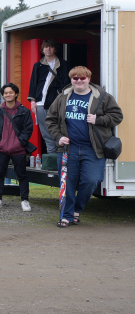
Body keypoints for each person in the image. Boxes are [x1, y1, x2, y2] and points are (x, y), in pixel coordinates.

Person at [46, 66, 123, 228]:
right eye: (75, 78)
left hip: (93, 149)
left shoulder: (102, 97)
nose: (79, 81)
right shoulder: (62, 97)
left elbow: (117, 116)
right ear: (71, 80)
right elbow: (50, 120)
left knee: (91, 181)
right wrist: (58, 137)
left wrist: (98, 120)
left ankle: (77, 209)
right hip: (68, 149)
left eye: (82, 78)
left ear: (88, 79)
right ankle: (66, 215)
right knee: (68, 183)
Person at [0, 83, 33, 211]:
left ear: (16, 94)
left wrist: (20, 142)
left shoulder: (24, 111)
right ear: (3, 95)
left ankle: (25, 200)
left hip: (18, 149)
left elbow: (28, 129)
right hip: (1, 149)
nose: (8, 94)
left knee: (22, 175)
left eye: (10, 92)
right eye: (5, 93)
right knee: (0, 174)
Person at [27, 39, 70, 154]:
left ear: (55, 49)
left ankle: (60, 159)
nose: (48, 49)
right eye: (45, 47)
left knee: (59, 130)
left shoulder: (64, 64)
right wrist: (32, 101)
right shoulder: (38, 65)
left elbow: (67, 84)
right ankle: (52, 161)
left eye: (51, 47)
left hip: (56, 104)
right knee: (46, 133)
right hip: (40, 104)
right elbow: (33, 84)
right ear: (42, 50)